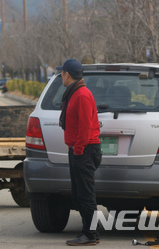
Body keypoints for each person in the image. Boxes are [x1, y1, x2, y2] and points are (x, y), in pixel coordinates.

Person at [57, 59, 102, 246]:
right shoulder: (74, 93)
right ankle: (88, 231)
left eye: (61, 73)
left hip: (84, 150)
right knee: (78, 194)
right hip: (77, 149)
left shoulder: (82, 95)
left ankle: (90, 234)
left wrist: (78, 150)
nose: (60, 76)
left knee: (85, 194)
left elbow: (85, 127)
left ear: (67, 74)